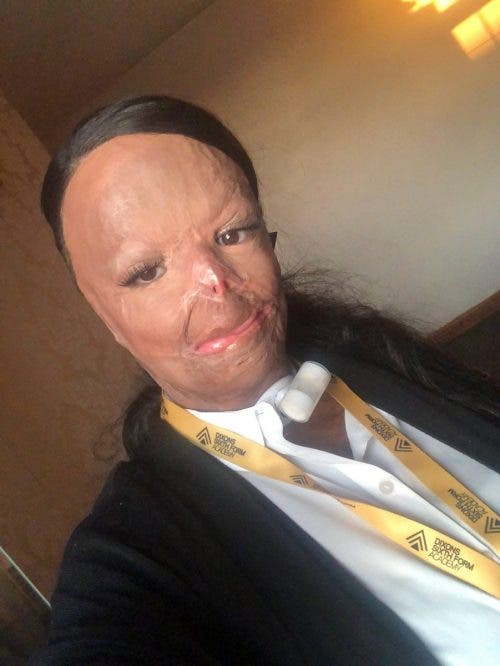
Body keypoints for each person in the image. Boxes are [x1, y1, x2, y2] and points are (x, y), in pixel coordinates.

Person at [32, 96, 499, 665]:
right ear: (109, 319)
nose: (215, 280)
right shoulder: (134, 553)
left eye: (232, 233)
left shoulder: (377, 357)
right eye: (147, 271)